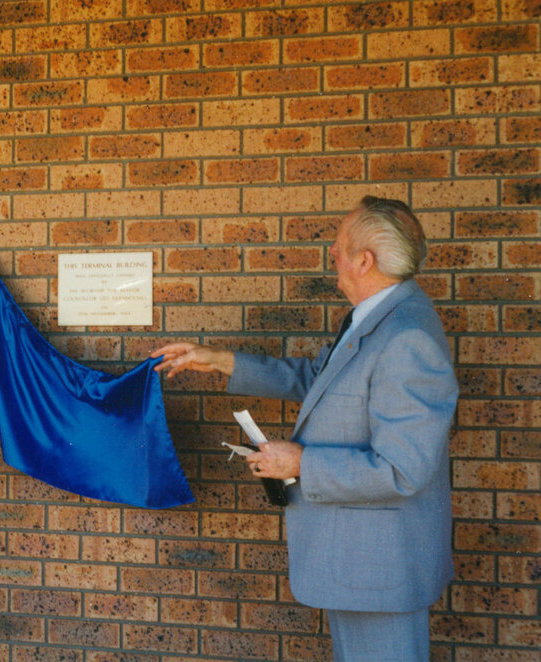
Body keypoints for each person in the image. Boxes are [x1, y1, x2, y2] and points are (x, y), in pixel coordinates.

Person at [152, 196, 458, 661]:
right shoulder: (379, 317)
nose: (331, 254)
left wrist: (300, 462)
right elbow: (317, 380)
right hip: (362, 564)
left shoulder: (406, 338)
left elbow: (404, 469)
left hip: (378, 567)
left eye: (337, 246)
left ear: (364, 260)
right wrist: (218, 361)